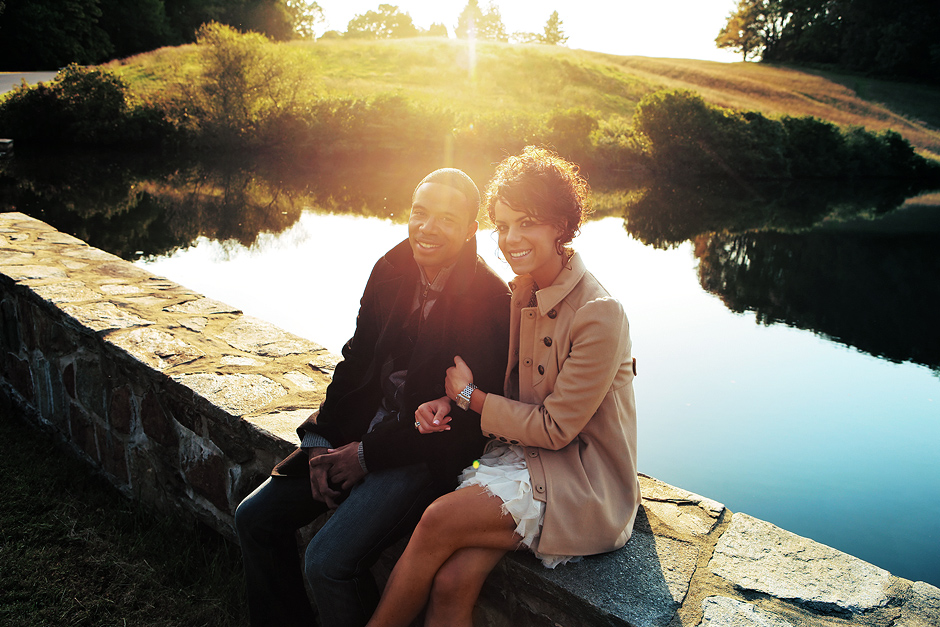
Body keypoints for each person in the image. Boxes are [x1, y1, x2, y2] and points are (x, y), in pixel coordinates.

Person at [365, 147, 641, 627]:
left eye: (526, 222)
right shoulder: (523, 289)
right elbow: (512, 389)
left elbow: (556, 428)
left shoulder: (600, 312)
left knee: (435, 521)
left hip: (577, 475)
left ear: (560, 225)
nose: (511, 238)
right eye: (503, 224)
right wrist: (448, 398)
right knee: (452, 583)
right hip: (519, 454)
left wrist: (473, 399)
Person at [234, 168, 511, 627]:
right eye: (419, 213)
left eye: (446, 219)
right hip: (359, 430)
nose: (427, 228)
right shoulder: (391, 267)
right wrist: (321, 443)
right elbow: (356, 361)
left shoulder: (487, 298)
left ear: (470, 230)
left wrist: (365, 456)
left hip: (422, 456)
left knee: (328, 563)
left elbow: (463, 428)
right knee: (254, 519)